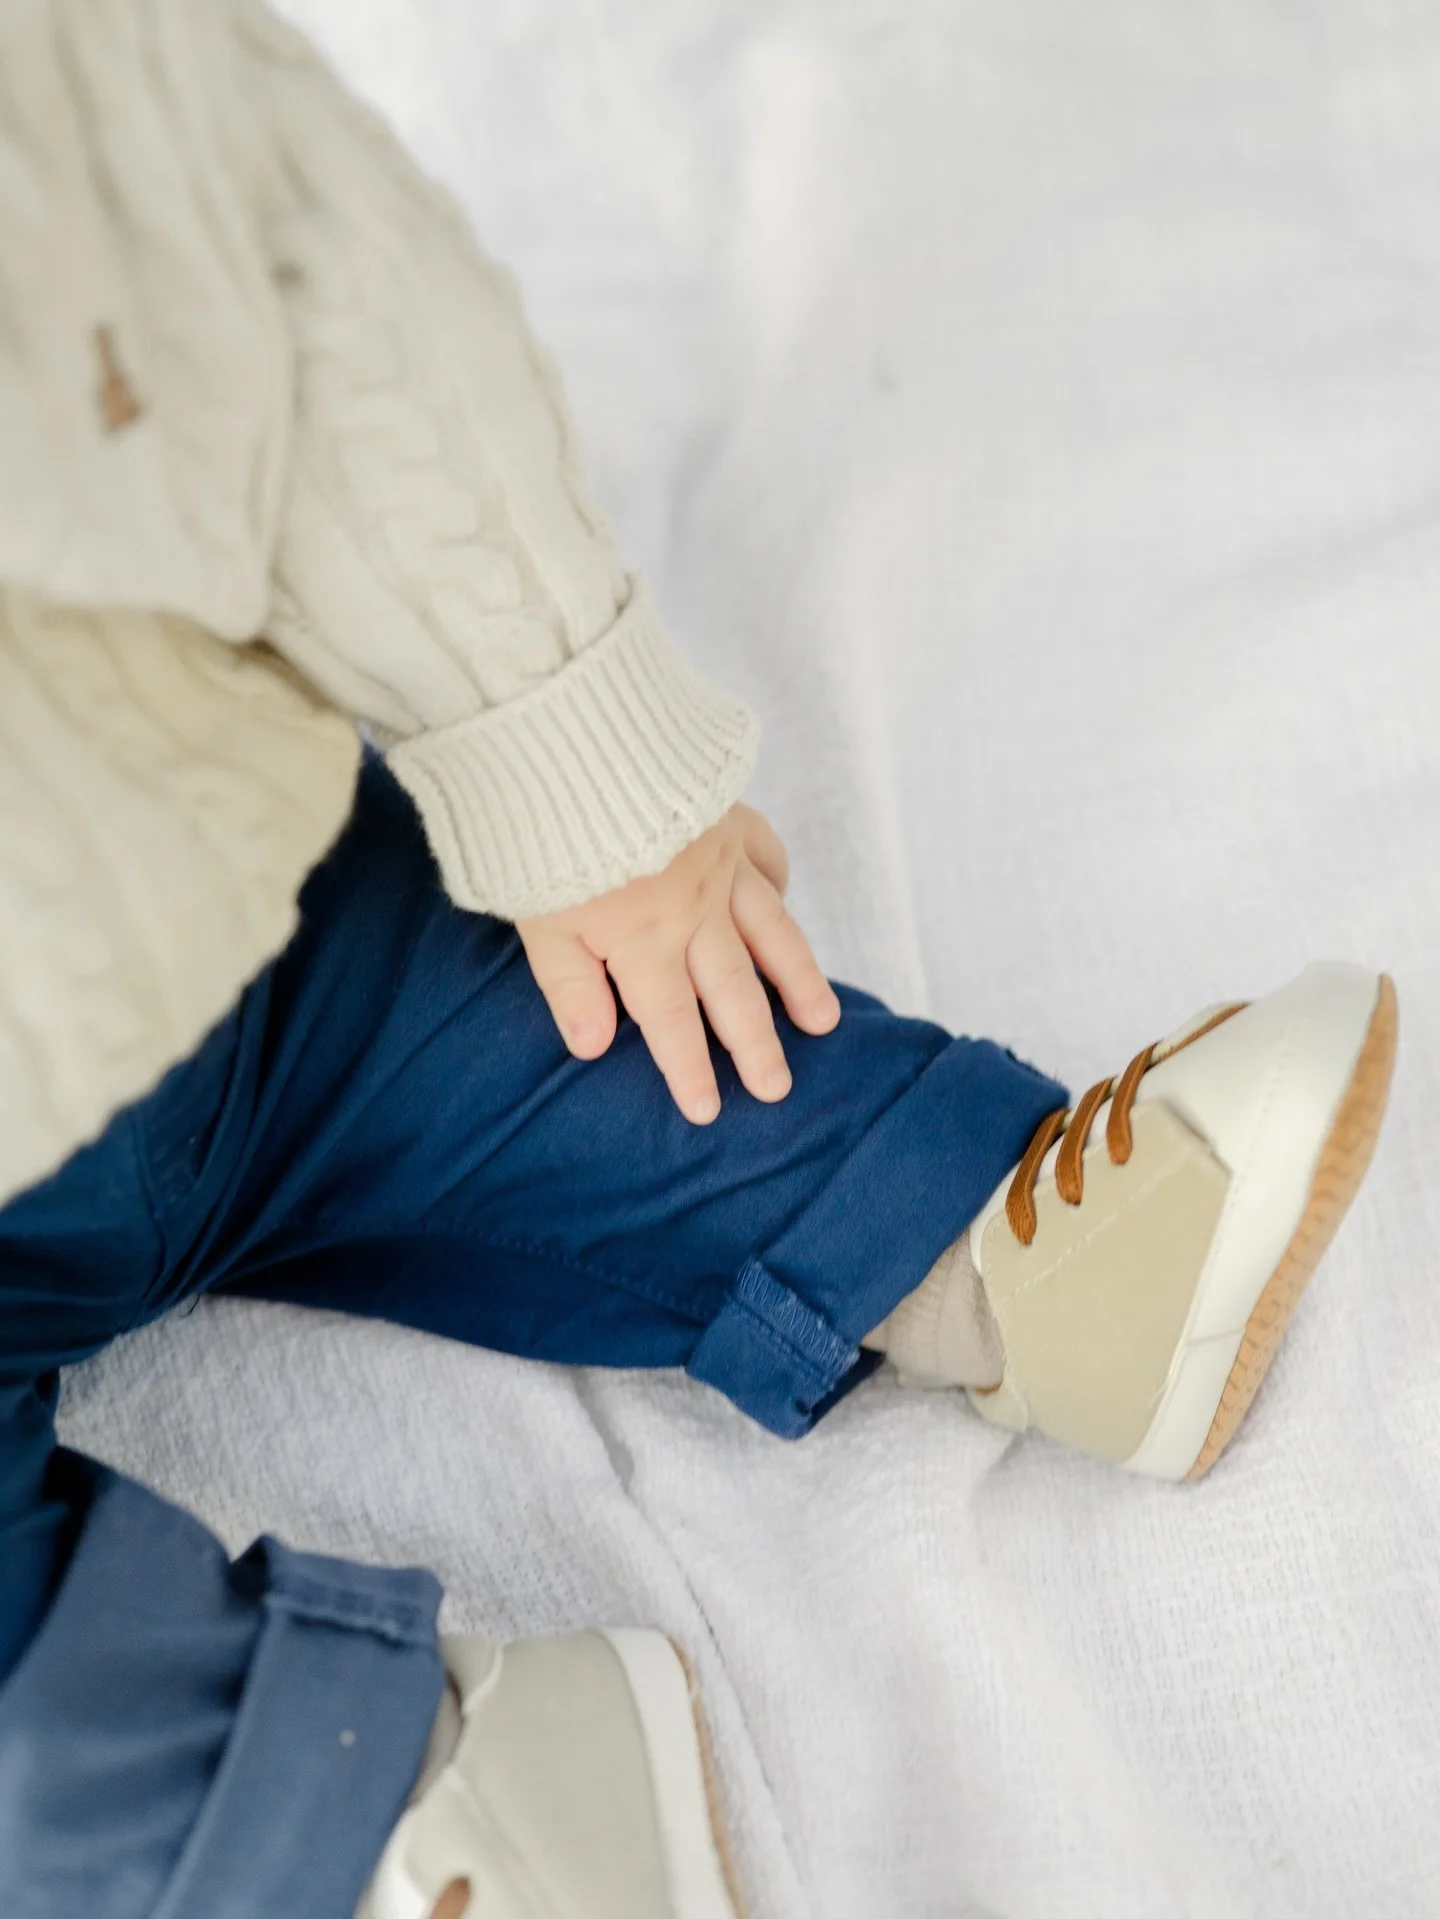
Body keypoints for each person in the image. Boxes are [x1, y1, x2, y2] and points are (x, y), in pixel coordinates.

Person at [0, 3, 1398, 1915]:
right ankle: (376, 1807)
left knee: (603, 992)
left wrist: (575, 761)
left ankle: (997, 1247)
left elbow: (312, 283)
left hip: (211, 920)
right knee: (534, 1019)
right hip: (168, 940)